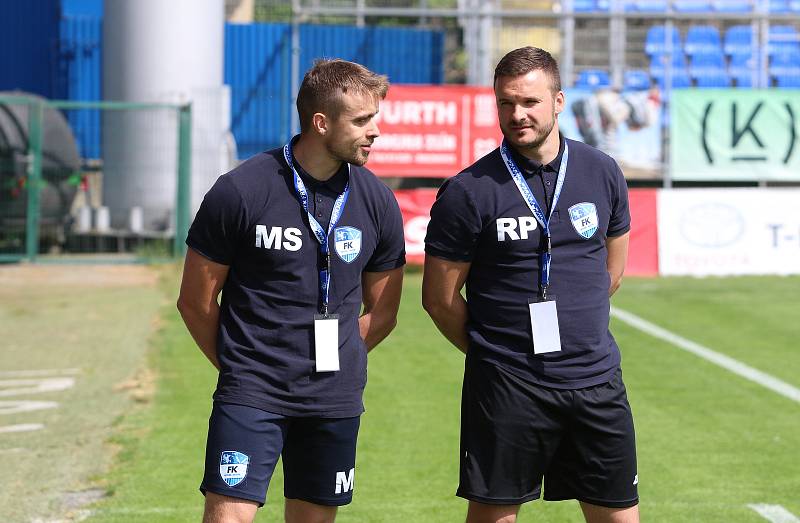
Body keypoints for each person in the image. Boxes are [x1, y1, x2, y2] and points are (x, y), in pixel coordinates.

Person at [177, 58, 405, 523]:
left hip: (333, 397)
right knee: (227, 516)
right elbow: (195, 301)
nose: (375, 131)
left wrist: (338, 358)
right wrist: (246, 366)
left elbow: (383, 312)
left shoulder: (377, 200)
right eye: (362, 120)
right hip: (253, 392)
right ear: (321, 123)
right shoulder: (240, 190)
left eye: (374, 117)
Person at [422, 47, 638, 523]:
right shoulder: (468, 190)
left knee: (619, 515)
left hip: (596, 380)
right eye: (505, 103)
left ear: (558, 101)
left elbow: (612, 272)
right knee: (494, 513)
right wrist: (496, 352)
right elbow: (439, 300)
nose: (516, 114)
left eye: (530, 102)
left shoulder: (602, 171)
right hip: (507, 385)